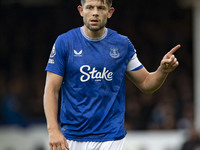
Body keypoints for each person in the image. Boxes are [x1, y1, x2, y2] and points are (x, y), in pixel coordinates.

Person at [43, 0, 181, 149]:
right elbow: (51, 90)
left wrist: (162, 70)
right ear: (81, 10)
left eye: (101, 8)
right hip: (71, 137)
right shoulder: (65, 42)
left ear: (110, 12)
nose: (95, 12)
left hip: (110, 138)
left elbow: (146, 83)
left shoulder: (122, 45)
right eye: (90, 7)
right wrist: (53, 130)